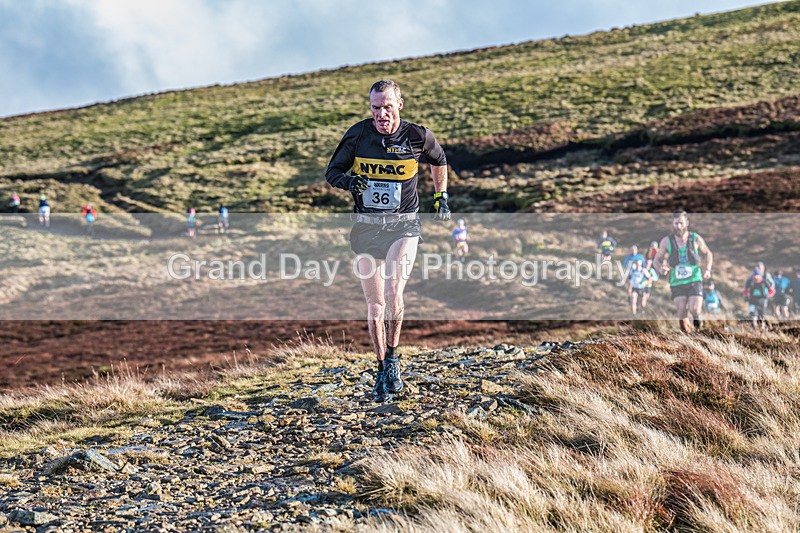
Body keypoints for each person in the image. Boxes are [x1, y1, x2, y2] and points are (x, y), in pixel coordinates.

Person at [326, 79, 449, 402]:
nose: (381, 114)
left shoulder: (416, 136)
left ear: (400, 105)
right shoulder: (358, 135)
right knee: (375, 304)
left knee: (394, 291)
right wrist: (349, 182)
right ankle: (381, 367)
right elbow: (332, 172)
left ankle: (393, 360)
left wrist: (441, 196)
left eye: (387, 107)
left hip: (403, 226)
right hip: (366, 229)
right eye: (375, 108)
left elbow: (439, 160)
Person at [653, 209, 713, 333]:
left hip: (694, 279)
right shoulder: (666, 241)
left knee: (694, 309)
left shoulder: (695, 238)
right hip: (677, 282)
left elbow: (708, 253)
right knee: (681, 312)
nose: (678, 226)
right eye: (676, 223)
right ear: (672, 224)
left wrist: (708, 269)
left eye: (681, 223)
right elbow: (656, 260)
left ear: (687, 223)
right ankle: (687, 336)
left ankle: (697, 322)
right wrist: (660, 268)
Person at [744, 264, 773, 330]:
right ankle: (757, 328)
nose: (756, 277)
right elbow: (772, 291)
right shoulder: (761, 281)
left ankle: (760, 328)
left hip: (759, 301)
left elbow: (771, 291)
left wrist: (767, 296)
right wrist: (768, 296)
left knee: (759, 316)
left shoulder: (762, 281)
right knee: (755, 315)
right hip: (755, 301)